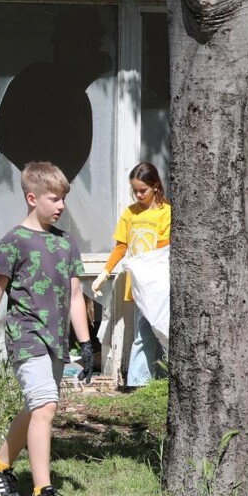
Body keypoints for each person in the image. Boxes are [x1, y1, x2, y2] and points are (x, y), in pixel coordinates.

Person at [0, 161, 94, 496]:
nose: (61, 206)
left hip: (57, 341)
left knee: (35, 408)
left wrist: (86, 344)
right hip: (26, 337)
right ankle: (42, 492)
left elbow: (74, 295)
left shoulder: (65, 243)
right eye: (54, 198)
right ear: (32, 198)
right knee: (45, 407)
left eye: (63, 199)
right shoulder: (13, 241)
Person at [92, 162, 170, 389]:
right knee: (143, 332)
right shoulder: (130, 213)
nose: (138, 194)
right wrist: (104, 273)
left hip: (158, 283)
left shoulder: (166, 212)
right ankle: (141, 383)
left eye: (142, 190)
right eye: (134, 190)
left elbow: (163, 248)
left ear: (155, 186)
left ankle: (147, 382)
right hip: (138, 284)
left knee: (156, 331)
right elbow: (121, 246)